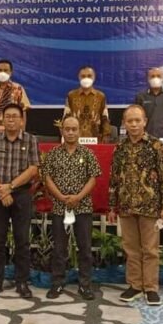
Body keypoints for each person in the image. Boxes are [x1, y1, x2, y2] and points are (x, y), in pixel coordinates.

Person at [108, 105, 163, 306]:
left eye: (138, 120)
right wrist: (112, 206)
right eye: (130, 121)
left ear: (145, 121)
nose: (134, 124)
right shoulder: (120, 147)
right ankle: (135, 285)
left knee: (150, 249)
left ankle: (151, 287)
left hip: (150, 205)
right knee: (131, 249)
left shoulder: (156, 145)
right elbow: (114, 177)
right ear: (124, 124)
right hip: (126, 204)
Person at [0, 103, 40, 298]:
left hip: (21, 194)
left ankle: (22, 282)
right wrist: (2, 191)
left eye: (15, 116)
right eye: (8, 116)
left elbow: (33, 169)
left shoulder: (31, 140)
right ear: (2, 120)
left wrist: (10, 187)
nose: (11, 119)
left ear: (22, 121)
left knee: (22, 240)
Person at [42, 116, 102, 300]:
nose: (70, 132)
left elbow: (93, 178)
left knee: (84, 248)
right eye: (67, 129)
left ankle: (85, 285)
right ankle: (57, 283)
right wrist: (61, 197)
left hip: (82, 207)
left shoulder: (88, 153)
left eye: (74, 129)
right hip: (59, 208)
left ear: (79, 131)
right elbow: (47, 177)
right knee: (59, 248)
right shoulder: (53, 153)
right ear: (62, 131)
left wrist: (78, 197)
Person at [63, 65, 110, 142]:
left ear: (94, 77)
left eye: (89, 76)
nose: (86, 78)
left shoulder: (100, 96)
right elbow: (66, 117)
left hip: (95, 138)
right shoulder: (71, 95)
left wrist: (106, 134)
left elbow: (105, 118)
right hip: (75, 138)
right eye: (83, 76)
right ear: (79, 77)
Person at [134, 68, 163, 138]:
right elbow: (136, 117)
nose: (155, 78)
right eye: (152, 76)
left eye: (158, 76)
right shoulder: (141, 96)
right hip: (146, 137)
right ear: (148, 79)